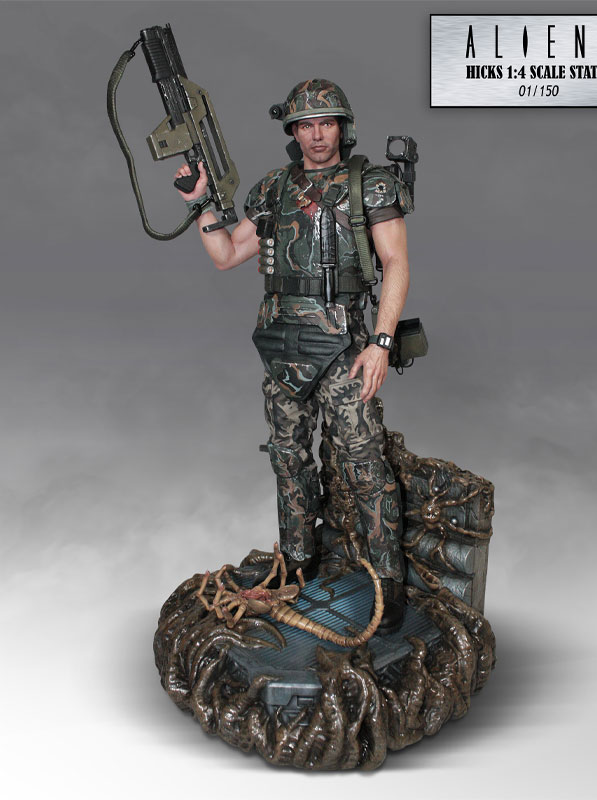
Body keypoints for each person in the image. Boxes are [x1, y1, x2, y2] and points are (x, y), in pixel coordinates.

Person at [175, 79, 413, 633]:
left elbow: (396, 263)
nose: (317, 135)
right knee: (287, 456)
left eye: (326, 123)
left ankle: (389, 578)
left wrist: (380, 342)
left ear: (343, 128)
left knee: (365, 461)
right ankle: (298, 559)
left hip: (346, 346)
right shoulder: (274, 189)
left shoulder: (369, 185)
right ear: (293, 132)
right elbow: (226, 253)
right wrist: (199, 203)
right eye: (306, 125)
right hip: (282, 345)